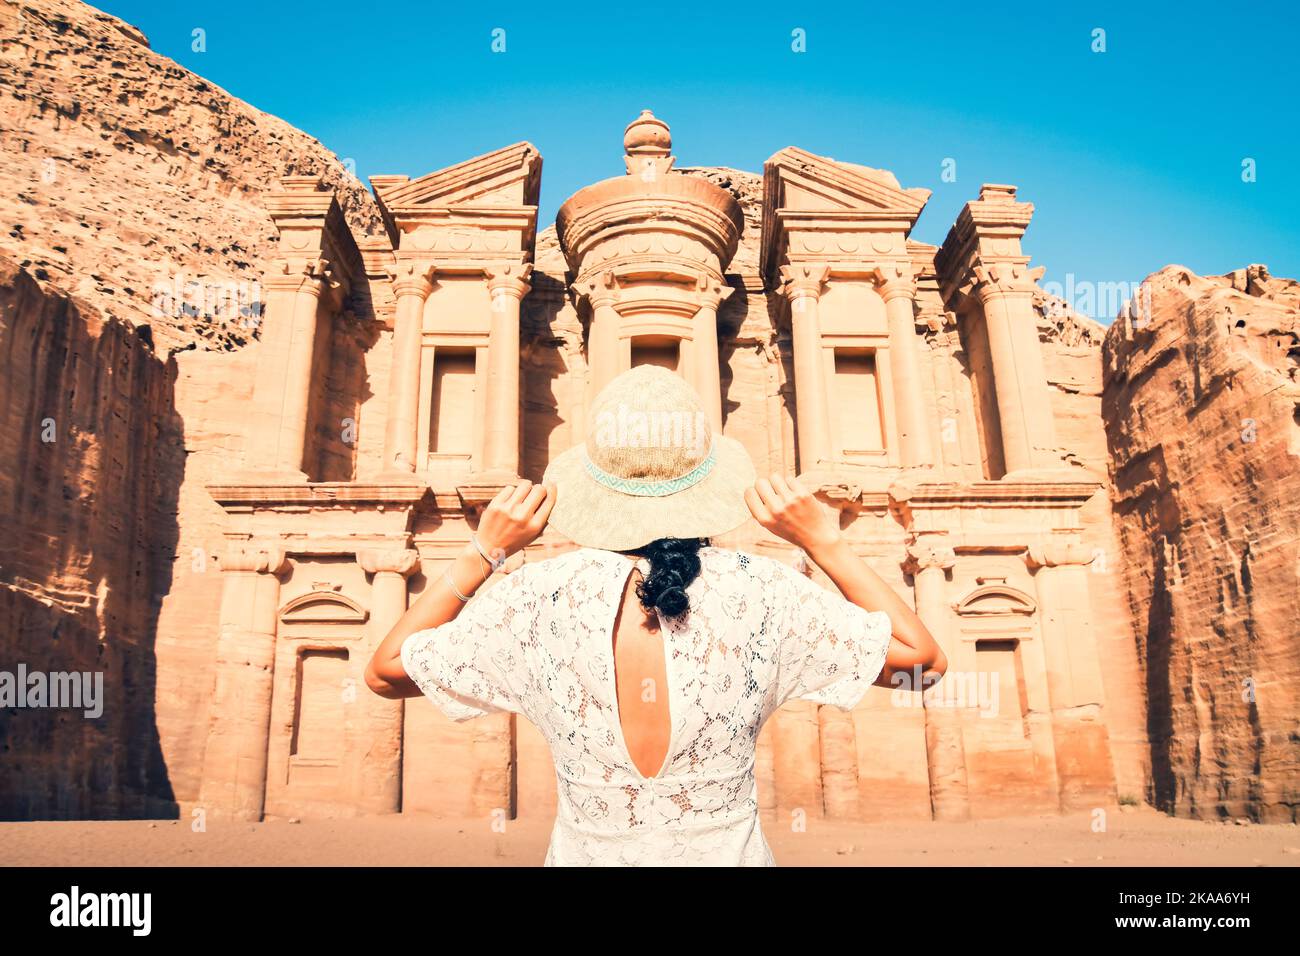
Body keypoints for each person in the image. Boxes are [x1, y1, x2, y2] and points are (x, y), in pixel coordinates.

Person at [364, 364, 946, 866]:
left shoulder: (537, 596)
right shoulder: (764, 592)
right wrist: (826, 543)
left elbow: (386, 671)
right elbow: (921, 661)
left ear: (594, 485)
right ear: (707, 480)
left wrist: (483, 551)